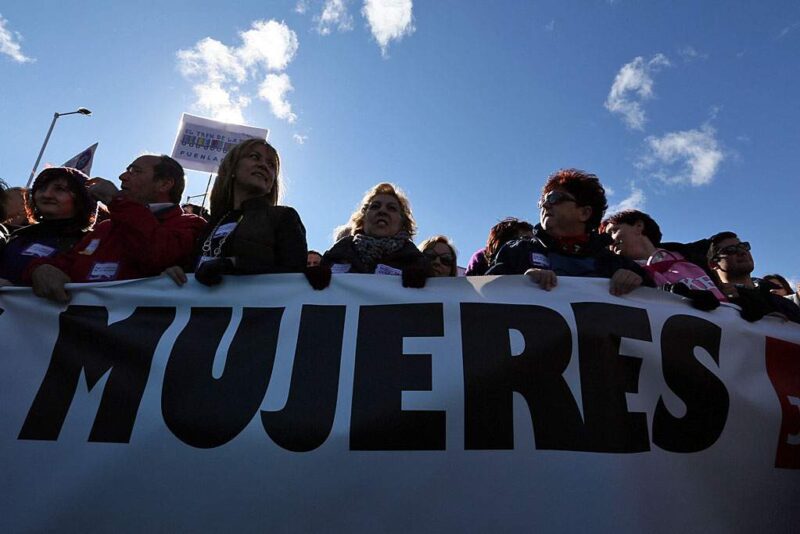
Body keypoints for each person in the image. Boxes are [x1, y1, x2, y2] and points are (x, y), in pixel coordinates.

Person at [24, 154, 206, 302]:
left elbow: (157, 256)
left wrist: (116, 201)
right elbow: (68, 263)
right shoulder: (107, 227)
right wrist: (39, 269)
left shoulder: (190, 224)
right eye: (127, 170)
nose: (122, 176)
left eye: (135, 171)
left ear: (164, 184)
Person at [164, 139, 307, 287]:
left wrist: (233, 265)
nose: (264, 165)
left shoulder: (284, 217)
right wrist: (175, 273)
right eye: (254, 157)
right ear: (232, 168)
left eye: (271, 165)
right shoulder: (210, 224)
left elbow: (295, 276)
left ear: (271, 185)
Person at [487, 168, 652, 295]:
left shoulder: (616, 264)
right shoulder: (517, 252)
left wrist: (636, 283)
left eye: (554, 198)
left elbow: (658, 307)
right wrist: (518, 281)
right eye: (542, 201)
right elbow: (484, 294)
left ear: (584, 213)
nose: (545, 205)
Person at [600, 209, 725, 309]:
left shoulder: (693, 255)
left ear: (639, 226)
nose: (610, 240)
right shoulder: (614, 271)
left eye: (613, 231)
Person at [316, 182, 428, 288]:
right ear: (363, 218)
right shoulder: (337, 255)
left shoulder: (415, 262)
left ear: (403, 222)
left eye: (391, 208)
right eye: (375, 206)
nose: (382, 211)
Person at [0, 168, 96, 286]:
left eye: (59, 189)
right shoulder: (15, 237)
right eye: (42, 188)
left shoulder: (91, 241)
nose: (46, 194)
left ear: (81, 198)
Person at [707, 232, 800, 323]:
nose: (742, 252)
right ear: (713, 264)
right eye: (730, 250)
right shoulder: (714, 303)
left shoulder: (783, 303)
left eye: (743, 246)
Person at [465, 217, 533, 276]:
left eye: (532, 240)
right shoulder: (480, 258)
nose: (528, 244)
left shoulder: (536, 262)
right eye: (525, 239)